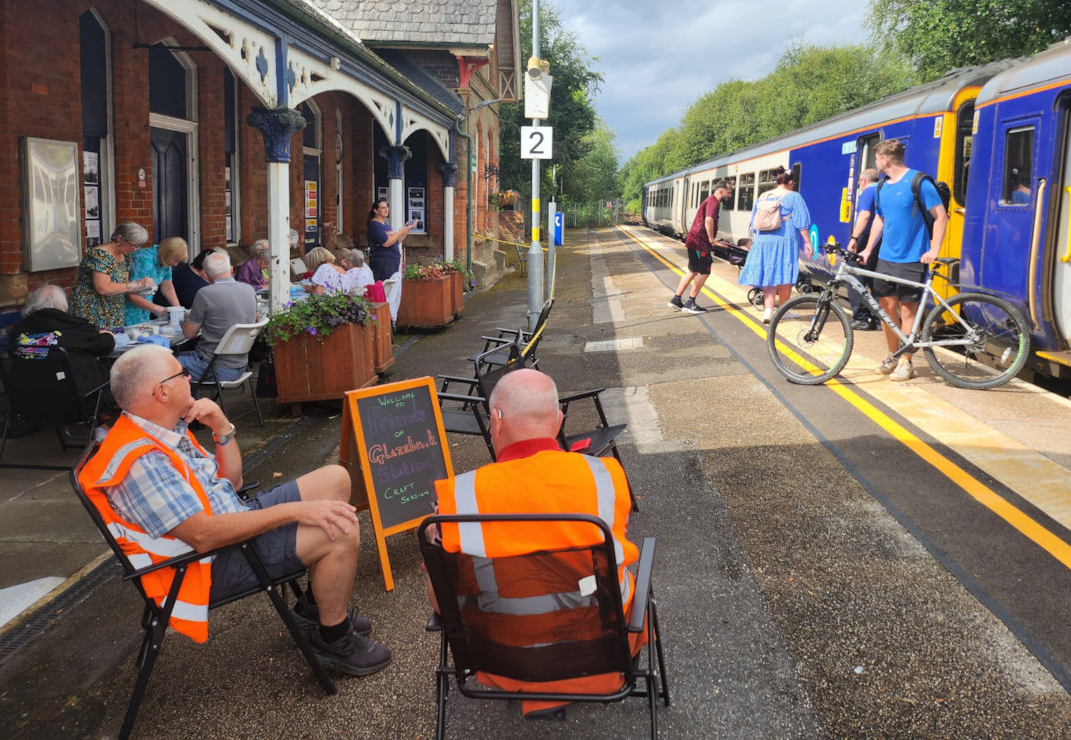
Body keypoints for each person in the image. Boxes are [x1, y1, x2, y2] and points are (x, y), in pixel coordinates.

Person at [78, 346, 390, 673]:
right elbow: (202, 536)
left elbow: (232, 481)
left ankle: (315, 606)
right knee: (342, 529)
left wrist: (222, 427)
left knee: (337, 479)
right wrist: (297, 511)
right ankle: (334, 640)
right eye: (181, 373)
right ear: (162, 392)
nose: (189, 377)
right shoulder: (142, 462)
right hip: (207, 565)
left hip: (230, 522)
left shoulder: (161, 429)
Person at [430, 369, 639, 721]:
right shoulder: (605, 476)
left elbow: (440, 603)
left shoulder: (458, 498)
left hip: (501, 657)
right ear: (558, 422)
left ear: (496, 420)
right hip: (601, 650)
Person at [859, 140, 947, 382]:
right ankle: (892, 354)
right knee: (886, 310)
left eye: (876, 159)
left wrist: (934, 248)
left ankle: (906, 362)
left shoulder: (919, 183)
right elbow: (880, 220)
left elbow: (941, 217)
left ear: (885, 160)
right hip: (886, 258)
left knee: (908, 311)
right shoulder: (882, 187)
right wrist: (868, 249)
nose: (876, 163)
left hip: (912, 258)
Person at [9, 284, 114, 400]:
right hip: (77, 402)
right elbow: (105, 347)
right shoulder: (77, 328)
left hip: (28, 401)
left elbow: (11, 355)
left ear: (32, 305)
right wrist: (107, 335)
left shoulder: (18, 330)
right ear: (63, 305)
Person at [736, 170, 812, 323]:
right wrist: (808, 242)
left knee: (769, 274)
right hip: (785, 240)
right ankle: (783, 311)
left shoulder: (763, 196)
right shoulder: (794, 197)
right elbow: (801, 222)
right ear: (790, 182)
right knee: (785, 273)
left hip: (764, 240)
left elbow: (754, 222)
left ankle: (768, 312)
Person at [179, 250, 258, 383]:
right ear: (231, 269)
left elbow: (189, 334)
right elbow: (256, 319)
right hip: (240, 364)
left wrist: (188, 317)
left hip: (213, 366)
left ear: (205, 275)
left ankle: (190, 402)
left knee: (163, 365)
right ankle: (194, 402)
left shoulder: (205, 294)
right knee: (181, 358)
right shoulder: (249, 289)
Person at [70, 222, 156, 330]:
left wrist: (142, 289)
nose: (135, 249)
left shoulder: (125, 257)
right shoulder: (100, 255)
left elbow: (123, 286)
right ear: (119, 238)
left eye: (137, 246)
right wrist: (136, 283)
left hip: (113, 312)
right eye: (133, 245)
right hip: (92, 311)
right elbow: (103, 288)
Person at [668, 179, 732, 315]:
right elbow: (708, 220)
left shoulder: (711, 201)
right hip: (700, 243)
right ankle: (690, 302)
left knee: (693, 270)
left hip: (695, 241)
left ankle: (676, 299)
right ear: (721, 191)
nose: (730, 195)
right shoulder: (713, 202)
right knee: (705, 271)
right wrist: (711, 239)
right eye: (729, 192)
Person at [845, 169, 882, 331]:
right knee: (876, 279)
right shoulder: (884, 189)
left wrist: (854, 237)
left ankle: (861, 318)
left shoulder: (868, 192)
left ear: (863, 181)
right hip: (881, 240)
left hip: (866, 238)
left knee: (854, 276)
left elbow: (864, 216)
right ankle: (879, 319)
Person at [125, 237, 188, 327]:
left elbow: (167, 286)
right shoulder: (143, 259)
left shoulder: (165, 260)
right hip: (128, 310)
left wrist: (178, 310)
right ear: (167, 254)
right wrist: (160, 310)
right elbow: (131, 293)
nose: (176, 264)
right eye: (175, 260)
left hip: (145, 309)